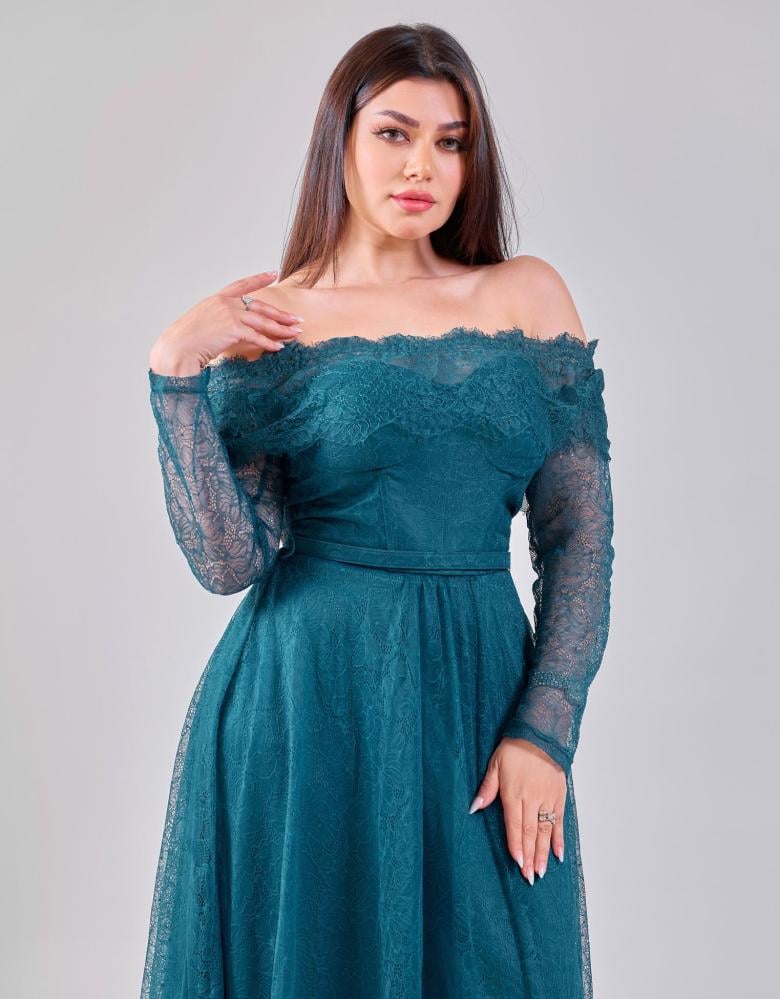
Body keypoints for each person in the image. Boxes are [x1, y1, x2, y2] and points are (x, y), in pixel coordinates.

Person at [141, 22, 614, 999]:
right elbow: (229, 563)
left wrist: (545, 730)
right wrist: (175, 372)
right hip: (308, 699)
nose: (421, 166)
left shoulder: (528, 295)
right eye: (394, 133)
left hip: (479, 690)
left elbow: (578, 537)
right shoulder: (277, 320)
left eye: (450, 142)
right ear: (340, 142)